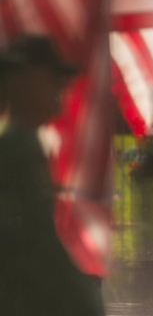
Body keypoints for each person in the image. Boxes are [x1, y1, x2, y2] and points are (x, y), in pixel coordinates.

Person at [0, 35, 105, 315]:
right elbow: (36, 250)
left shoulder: (23, 144)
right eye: (53, 76)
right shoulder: (16, 149)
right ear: (24, 80)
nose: (63, 85)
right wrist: (88, 303)